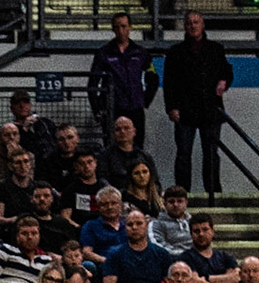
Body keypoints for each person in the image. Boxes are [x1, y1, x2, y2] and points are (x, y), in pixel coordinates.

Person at [163, 12, 231, 194]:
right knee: (184, 154)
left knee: (211, 154)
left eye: (196, 22)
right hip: (185, 111)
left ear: (203, 25)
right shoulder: (175, 52)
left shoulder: (216, 49)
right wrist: (171, 107)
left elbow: (227, 71)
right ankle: (182, 192)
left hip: (210, 110)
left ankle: (213, 191)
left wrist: (224, 81)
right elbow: (169, 82)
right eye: (189, 23)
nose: (192, 26)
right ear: (185, 27)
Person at [88, 14, 159, 147]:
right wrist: (97, 109)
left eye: (124, 26)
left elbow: (153, 78)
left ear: (130, 27)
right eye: (117, 27)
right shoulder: (103, 53)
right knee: (111, 147)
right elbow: (93, 83)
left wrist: (145, 100)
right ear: (112, 29)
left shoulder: (141, 52)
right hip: (112, 108)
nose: (121, 30)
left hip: (135, 108)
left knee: (137, 148)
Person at [98, 117, 156, 194]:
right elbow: (101, 178)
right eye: (118, 129)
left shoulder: (144, 156)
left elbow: (155, 181)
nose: (122, 132)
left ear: (134, 131)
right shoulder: (105, 155)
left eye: (126, 128)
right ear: (114, 133)